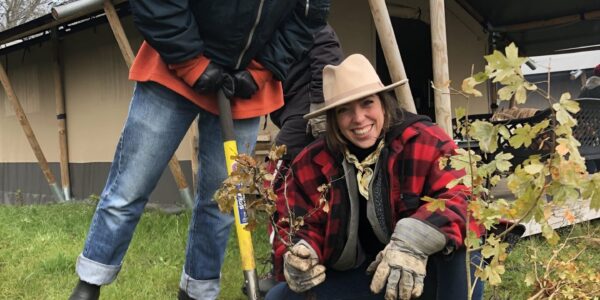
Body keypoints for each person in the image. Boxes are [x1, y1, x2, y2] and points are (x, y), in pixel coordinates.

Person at [68, 1, 331, 300]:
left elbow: (308, 17)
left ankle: (197, 292)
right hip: (174, 62)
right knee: (130, 184)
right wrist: (191, 62)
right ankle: (90, 282)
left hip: (244, 82)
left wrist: (261, 71)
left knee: (221, 203)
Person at [266, 54, 484, 300]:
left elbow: (466, 201)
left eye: (367, 103)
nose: (359, 118)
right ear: (333, 118)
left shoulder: (425, 140)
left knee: (463, 253)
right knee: (279, 297)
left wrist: (416, 238)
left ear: (383, 103)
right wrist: (301, 252)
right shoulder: (312, 162)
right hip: (367, 277)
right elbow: (294, 223)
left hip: (424, 273)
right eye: (344, 110)